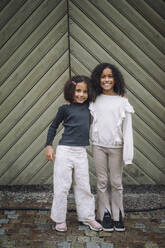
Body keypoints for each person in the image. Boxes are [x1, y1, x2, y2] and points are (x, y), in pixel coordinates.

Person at [45, 75, 102, 232]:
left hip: (81, 152)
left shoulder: (90, 107)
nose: (81, 95)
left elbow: (100, 93)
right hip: (64, 152)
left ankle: (88, 217)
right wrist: (49, 145)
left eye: (84, 91)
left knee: (83, 186)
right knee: (62, 186)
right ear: (71, 91)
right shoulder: (65, 109)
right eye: (77, 91)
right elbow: (53, 127)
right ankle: (59, 219)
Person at [89, 63, 134, 232]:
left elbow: (127, 129)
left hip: (117, 148)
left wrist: (128, 156)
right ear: (98, 80)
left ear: (115, 79)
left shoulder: (122, 101)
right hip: (98, 146)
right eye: (103, 77)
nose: (106, 79)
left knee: (116, 182)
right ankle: (104, 213)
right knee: (101, 181)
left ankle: (117, 214)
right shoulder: (94, 100)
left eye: (110, 76)